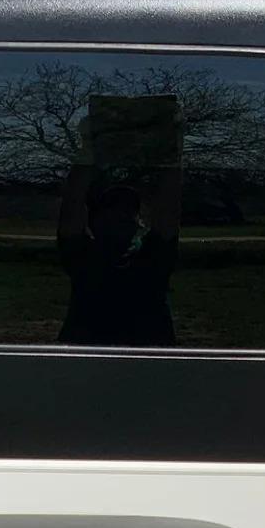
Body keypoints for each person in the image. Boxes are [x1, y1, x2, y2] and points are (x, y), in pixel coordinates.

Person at [56, 98, 183, 348]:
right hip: (88, 365)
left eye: (128, 211)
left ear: (139, 223)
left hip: (149, 366)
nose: (120, 217)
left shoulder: (151, 258)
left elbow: (168, 211)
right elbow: (71, 209)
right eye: (111, 210)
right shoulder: (84, 259)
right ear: (94, 221)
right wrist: (88, 151)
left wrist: (171, 152)